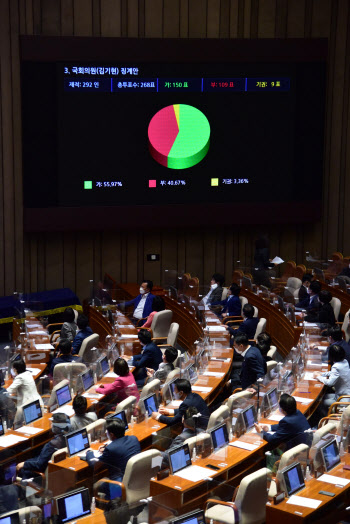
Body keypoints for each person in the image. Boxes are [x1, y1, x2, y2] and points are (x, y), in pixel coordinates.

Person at [17, 413, 71, 479]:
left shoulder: (52, 445)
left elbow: (39, 465)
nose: (51, 425)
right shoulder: (69, 437)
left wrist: (24, 464)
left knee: (20, 466)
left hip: (41, 470)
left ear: (56, 427)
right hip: (57, 469)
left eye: (52, 423)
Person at [86, 419, 141, 483]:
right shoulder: (133, 438)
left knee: (97, 485)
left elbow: (95, 465)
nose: (106, 433)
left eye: (107, 432)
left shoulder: (110, 449)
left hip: (121, 481)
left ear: (112, 434)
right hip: (137, 476)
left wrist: (89, 452)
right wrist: (106, 449)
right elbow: (120, 448)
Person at [314, 344, 350, 414]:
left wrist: (318, 377)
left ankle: (328, 418)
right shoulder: (345, 361)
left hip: (343, 400)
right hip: (343, 395)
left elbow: (330, 383)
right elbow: (334, 373)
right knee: (322, 397)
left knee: (318, 403)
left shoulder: (336, 366)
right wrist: (322, 374)